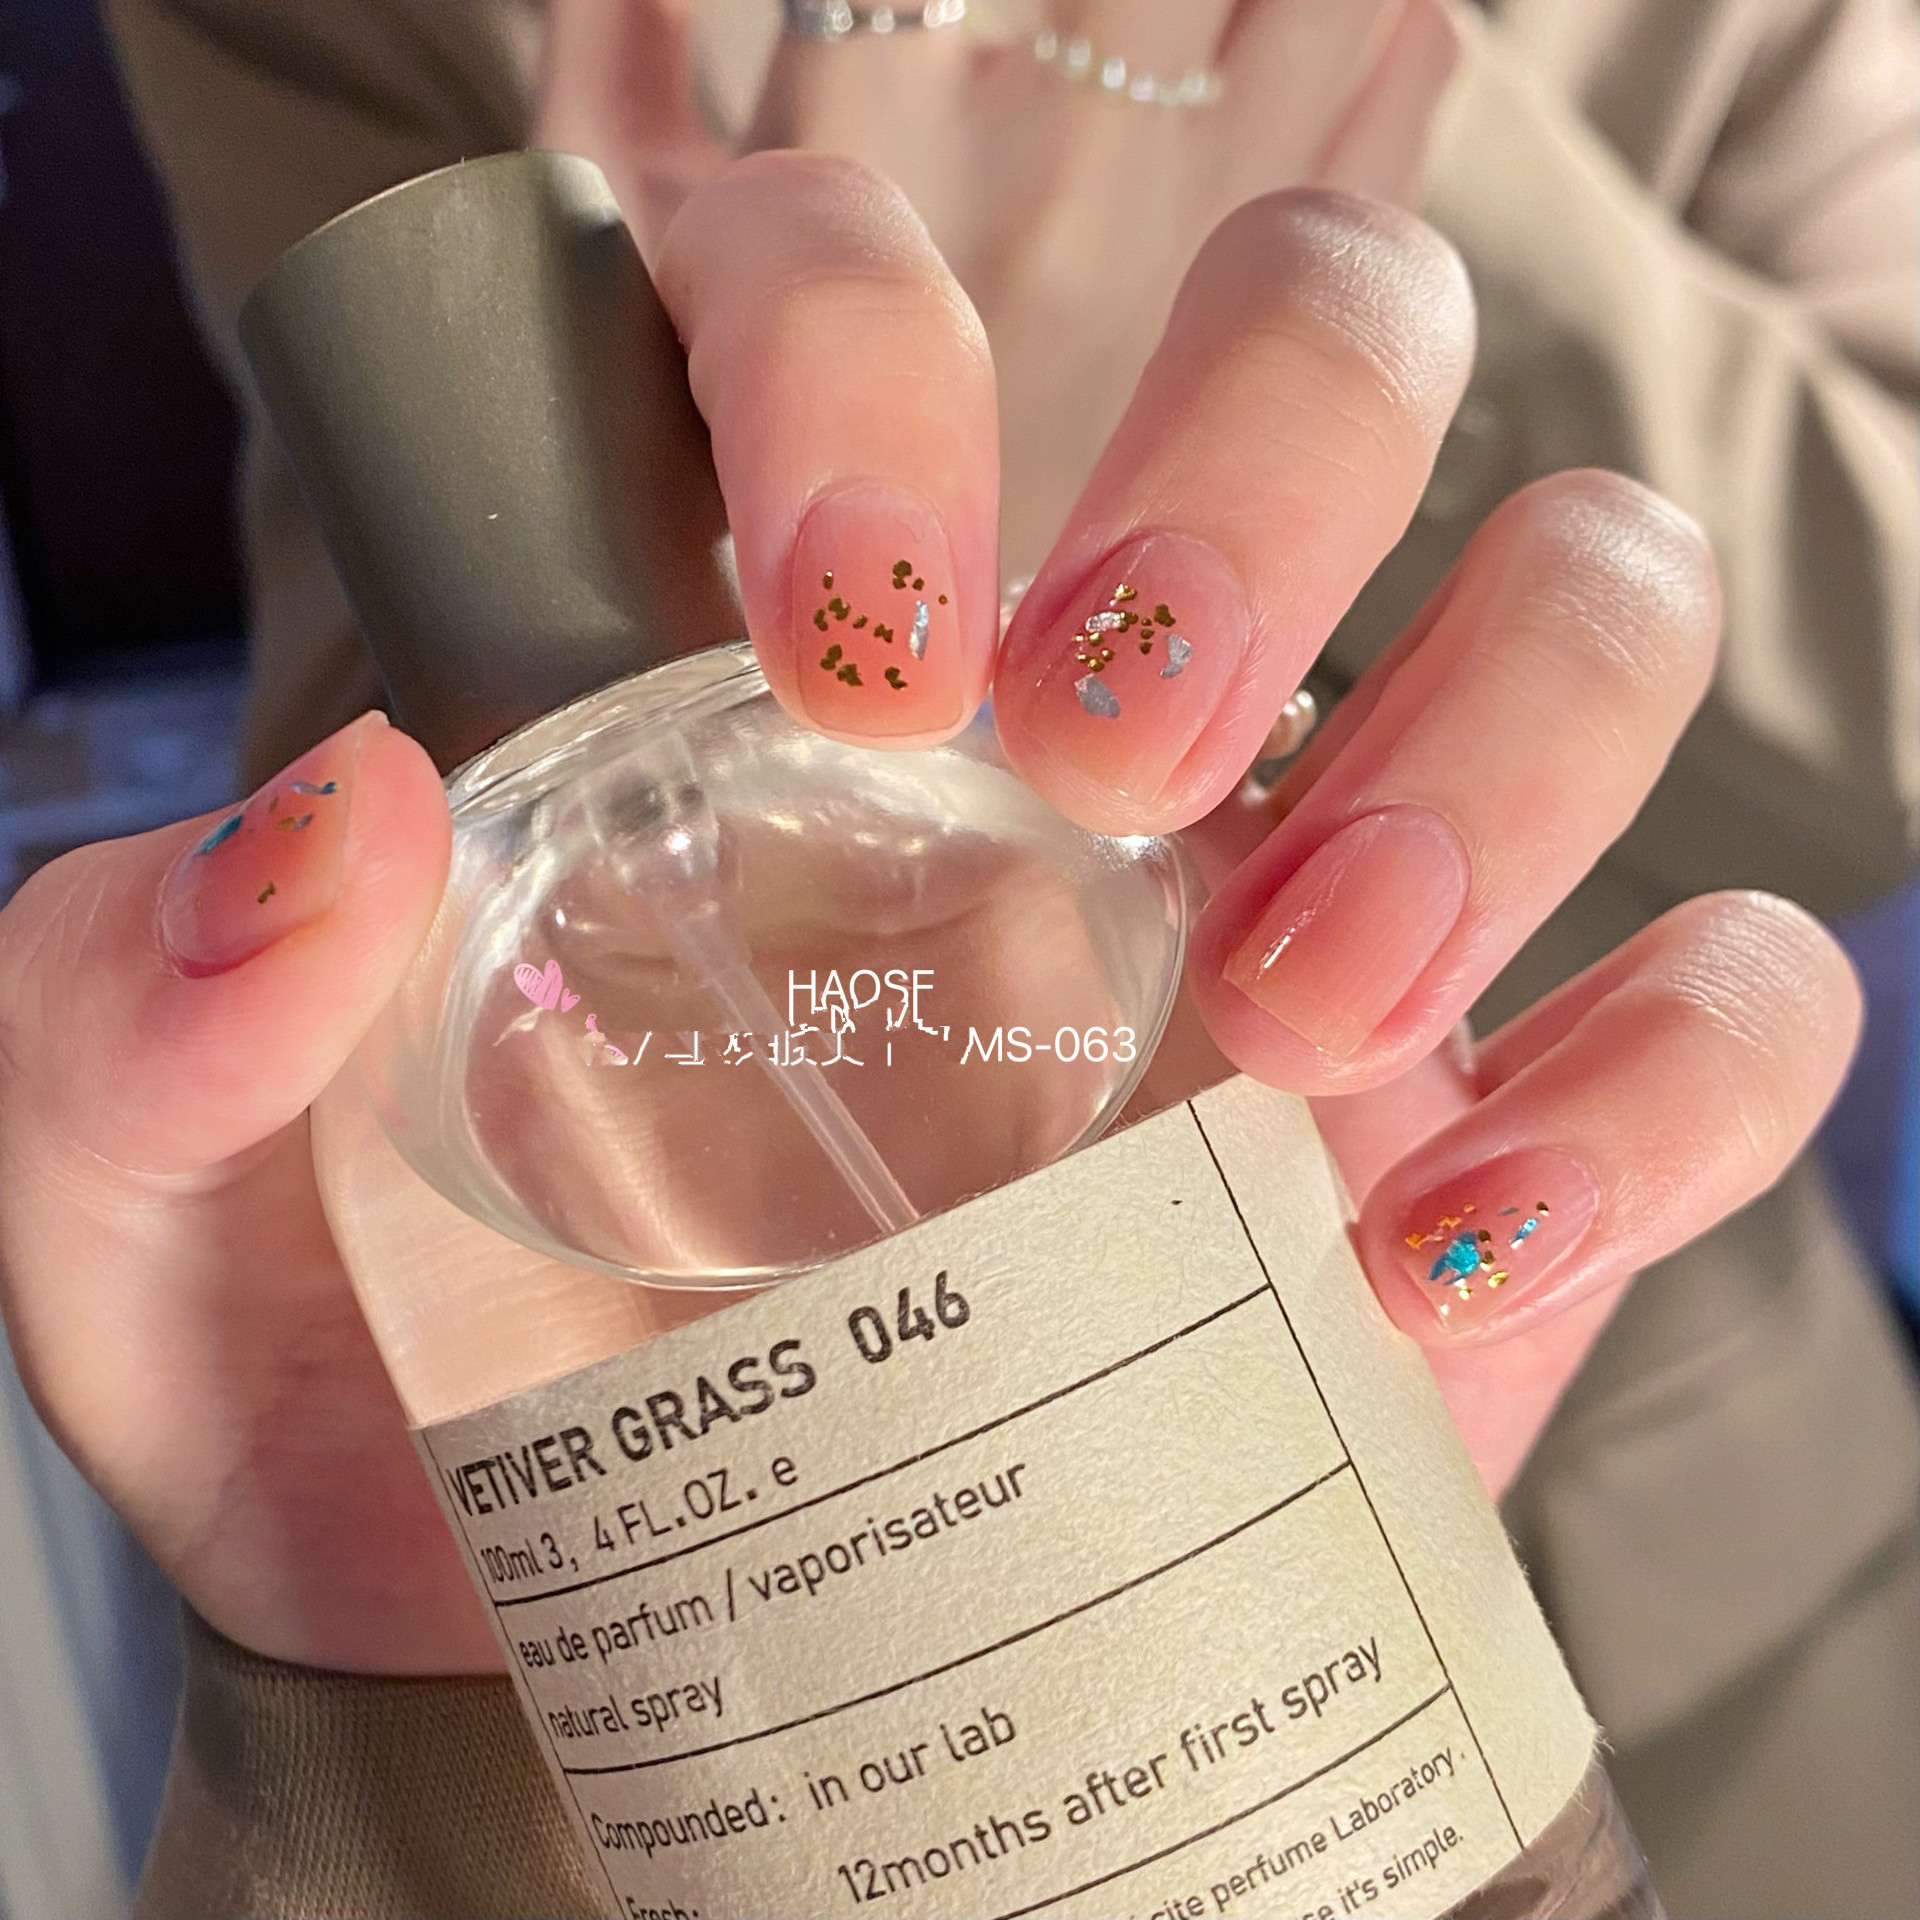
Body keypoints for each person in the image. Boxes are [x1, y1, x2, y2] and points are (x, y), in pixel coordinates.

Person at [8, 1, 1913, 1914]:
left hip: (1707, 1530)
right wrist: (930, 642)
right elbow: (434, 680)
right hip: (787, 1646)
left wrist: (1388, 143)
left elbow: (1881, 737)